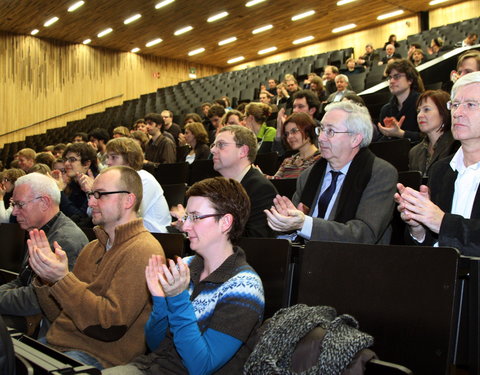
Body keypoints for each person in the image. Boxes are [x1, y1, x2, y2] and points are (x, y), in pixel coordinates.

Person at [103, 177, 264, 375]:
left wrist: (178, 298)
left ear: (225, 222)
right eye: (187, 217)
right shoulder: (185, 266)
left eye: (195, 217)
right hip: (149, 367)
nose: (186, 226)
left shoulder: (244, 287)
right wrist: (160, 300)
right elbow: (156, 345)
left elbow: (200, 366)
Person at [29, 166, 165, 369]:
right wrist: (45, 278)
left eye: (99, 195)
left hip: (98, 358)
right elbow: (60, 315)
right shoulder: (92, 248)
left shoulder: (144, 250)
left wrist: (62, 279)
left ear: (128, 200)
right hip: (58, 346)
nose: (91, 202)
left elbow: (109, 325)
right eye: (92, 194)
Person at [265, 101, 397, 244]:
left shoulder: (380, 174)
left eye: (330, 131)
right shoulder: (308, 175)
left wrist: (304, 224)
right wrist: (287, 226)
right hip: (306, 260)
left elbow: (364, 234)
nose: (321, 138)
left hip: (355, 262)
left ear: (355, 139)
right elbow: (294, 230)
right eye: (321, 129)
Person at [396, 71, 480, 256]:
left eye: (470, 105)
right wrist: (417, 227)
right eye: (455, 105)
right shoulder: (440, 170)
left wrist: (442, 222)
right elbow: (428, 249)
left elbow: (442, 225)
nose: (458, 113)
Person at [0, 173, 88, 335]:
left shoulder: (65, 240)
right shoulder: (40, 230)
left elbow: (36, 300)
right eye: (14, 204)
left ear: (44, 203)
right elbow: (22, 281)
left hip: (46, 325)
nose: (14, 212)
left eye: (20, 204)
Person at [173, 125, 277, 238]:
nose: (212, 150)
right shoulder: (216, 186)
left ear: (243, 151)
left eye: (221, 145)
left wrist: (195, 223)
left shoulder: (261, 189)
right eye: (213, 145)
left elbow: (255, 240)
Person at [105, 138, 171, 233]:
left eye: (114, 157)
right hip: (129, 233)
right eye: (107, 157)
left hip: (154, 237)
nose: (108, 162)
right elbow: (94, 213)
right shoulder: (117, 181)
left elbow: (130, 215)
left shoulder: (144, 179)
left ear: (129, 159)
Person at [409, 90, 459, 177]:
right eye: (418, 111)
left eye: (426, 109)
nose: (419, 115)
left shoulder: (457, 145)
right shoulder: (414, 152)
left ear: (443, 112)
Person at [377, 59, 425, 142]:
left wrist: (401, 134)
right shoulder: (386, 110)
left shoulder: (422, 103)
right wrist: (388, 135)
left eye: (397, 76)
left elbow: (429, 137)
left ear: (410, 80)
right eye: (390, 77)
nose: (391, 81)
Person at [55, 142, 99, 227]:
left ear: (87, 164)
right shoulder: (73, 183)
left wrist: (60, 192)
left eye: (72, 160)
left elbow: (80, 218)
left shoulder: (96, 183)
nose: (66, 164)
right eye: (66, 159)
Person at [268, 113, 321, 179]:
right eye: (287, 134)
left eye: (294, 131)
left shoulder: (320, 160)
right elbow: (275, 182)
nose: (289, 137)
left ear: (308, 130)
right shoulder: (288, 162)